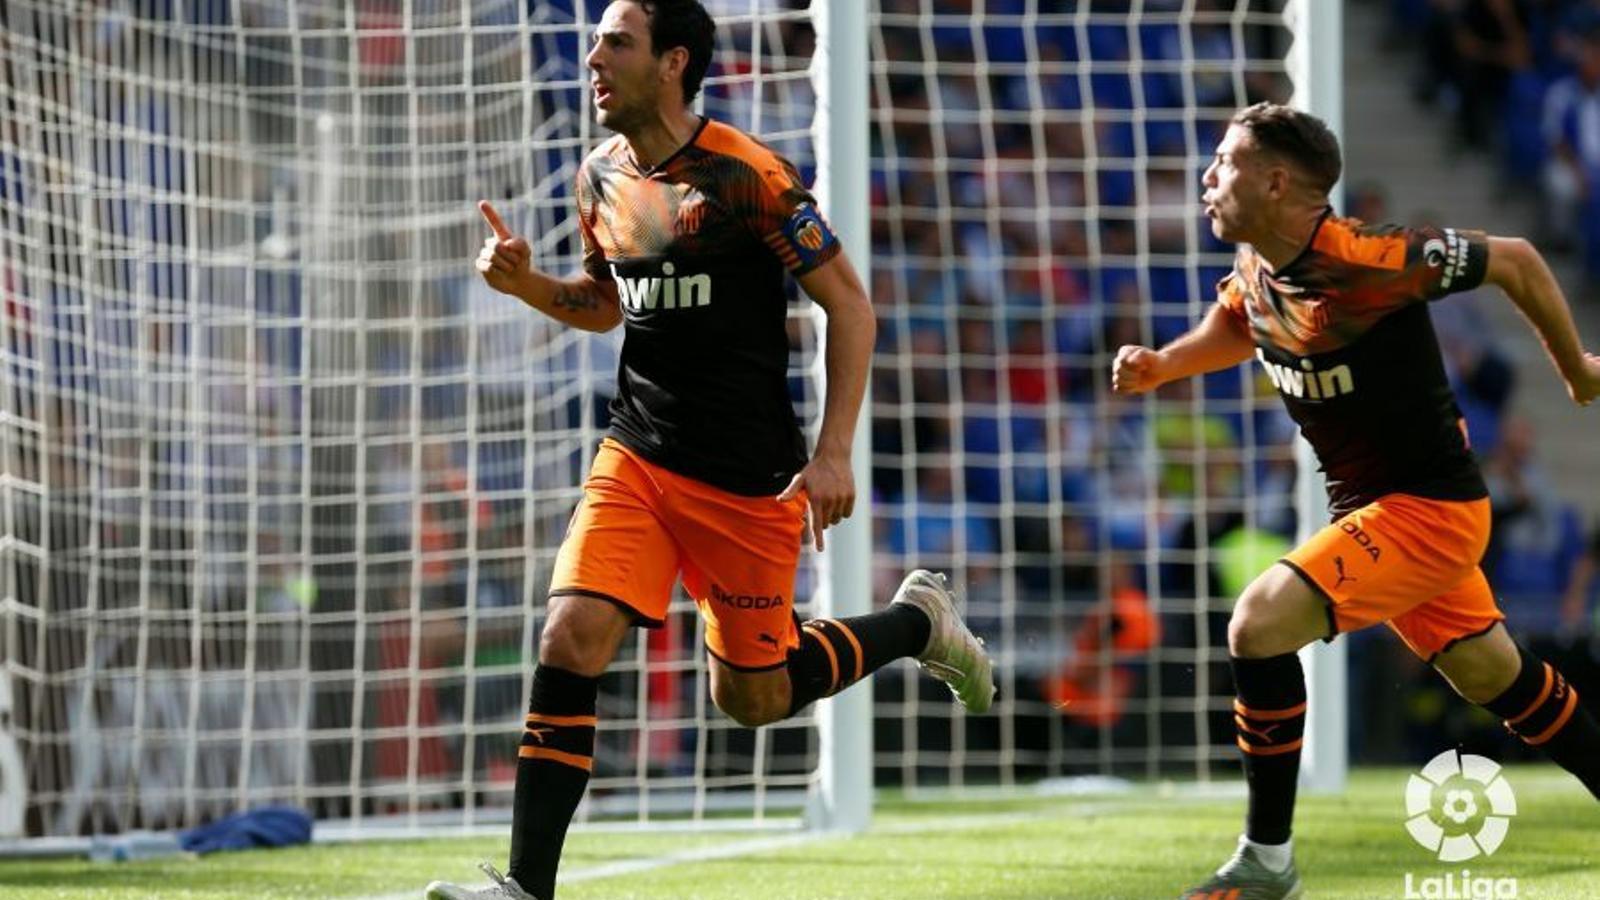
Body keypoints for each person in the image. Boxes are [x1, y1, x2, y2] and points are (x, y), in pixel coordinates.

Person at [425, 3, 994, 898]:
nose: (593, 57)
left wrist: (834, 452)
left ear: (673, 61)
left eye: (617, 41)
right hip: (639, 455)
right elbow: (610, 304)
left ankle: (918, 623)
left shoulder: (748, 175)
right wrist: (525, 283)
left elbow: (850, 304)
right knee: (570, 637)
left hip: (744, 478)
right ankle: (525, 887)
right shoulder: (601, 176)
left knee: (755, 700)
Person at [1111, 102, 1600, 900]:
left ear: (1275, 181)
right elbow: (1241, 319)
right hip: (1377, 512)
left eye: (1225, 162)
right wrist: (1165, 365)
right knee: (1496, 678)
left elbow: (1513, 257)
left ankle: (1267, 862)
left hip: (1430, 510)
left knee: (1258, 622)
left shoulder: (1370, 262)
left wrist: (1576, 369)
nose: (1207, 177)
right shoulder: (1258, 265)